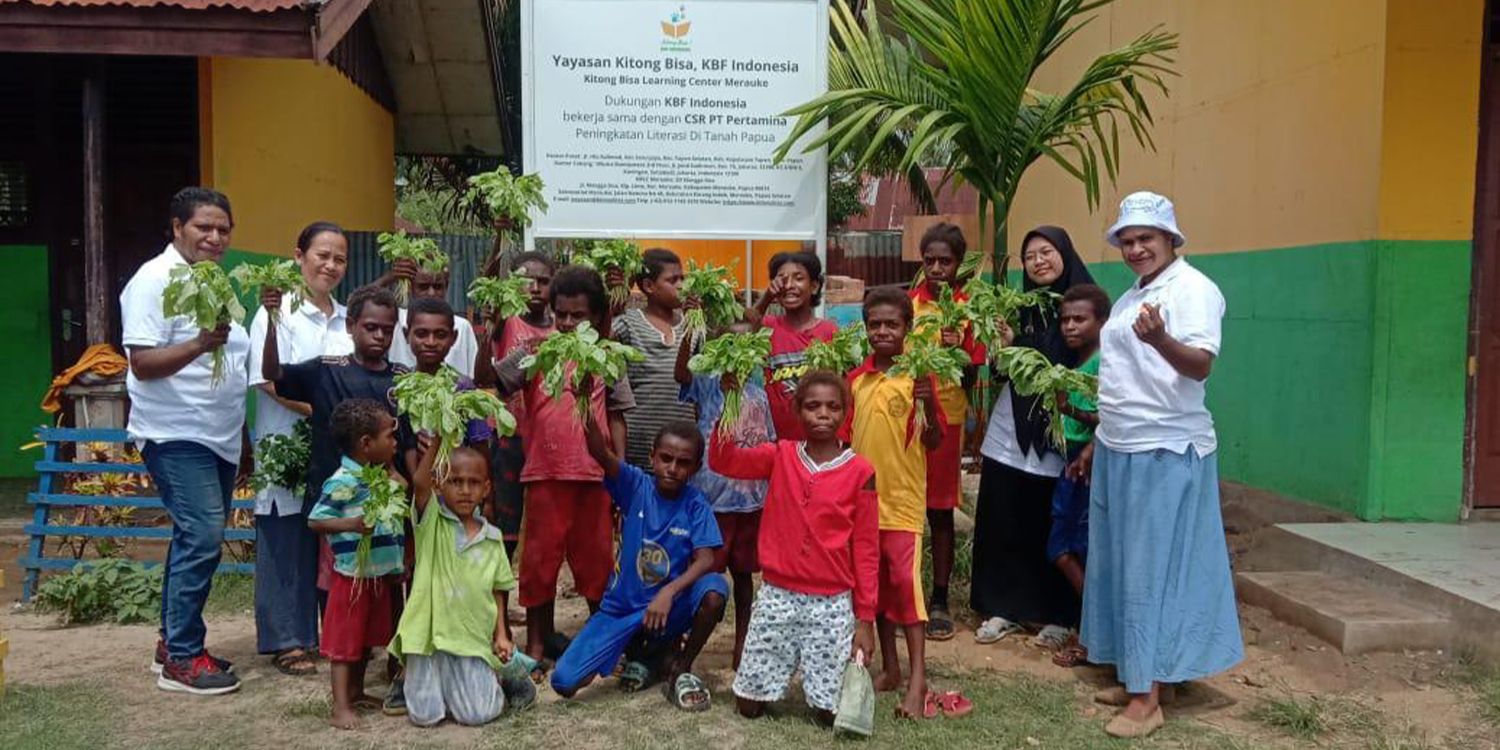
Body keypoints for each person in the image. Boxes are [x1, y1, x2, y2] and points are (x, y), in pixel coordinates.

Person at [1080, 192, 1241, 739]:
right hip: (1120, 444)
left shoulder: (1194, 291)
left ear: (1172, 238)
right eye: (1127, 240)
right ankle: (1145, 675)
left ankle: (1146, 702)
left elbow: (1200, 367)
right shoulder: (1132, 296)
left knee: (1151, 570)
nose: (1135, 248)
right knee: (1122, 565)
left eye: (1146, 238)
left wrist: (1161, 339)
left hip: (1166, 447)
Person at [122, 187, 249, 695]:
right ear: (177, 228)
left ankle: (171, 642)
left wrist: (240, 437)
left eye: (223, 229)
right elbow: (142, 363)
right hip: (175, 433)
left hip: (216, 434)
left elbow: (231, 365)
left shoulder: (212, 281)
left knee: (193, 539)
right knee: (201, 536)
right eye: (204, 227)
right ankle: (181, 656)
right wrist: (200, 341)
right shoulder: (153, 280)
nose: (215, 237)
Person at [260, 283, 410, 713]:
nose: (379, 336)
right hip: (340, 505)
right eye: (369, 327)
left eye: (387, 329)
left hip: (386, 511)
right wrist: (271, 320)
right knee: (345, 597)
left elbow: (404, 445)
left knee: (386, 589)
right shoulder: (327, 369)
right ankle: (343, 684)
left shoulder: (400, 380)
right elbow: (274, 373)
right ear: (350, 326)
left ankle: (386, 673)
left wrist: (401, 483)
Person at [710, 371, 878, 725]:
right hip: (778, 594)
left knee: (827, 715)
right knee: (748, 707)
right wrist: (730, 403)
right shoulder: (780, 456)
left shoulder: (861, 472)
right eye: (813, 406)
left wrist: (864, 619)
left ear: (845, 412)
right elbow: (723, 461)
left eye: (833, 407)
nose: (823, 414)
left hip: (831, 602)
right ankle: (765, 684)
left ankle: (822, 692)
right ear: (798, 410)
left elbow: (865, 550)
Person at [492, 265, 636, 673]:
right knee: (539, 562)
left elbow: (618, 413)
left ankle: (599, 643)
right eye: (562, 314)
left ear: (598, 317)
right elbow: (497, 380)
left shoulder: (608, 356)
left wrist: (619, 471)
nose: (569, 323)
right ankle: (537, 647)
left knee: (595, 563)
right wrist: (494, 323)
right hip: (545, 473)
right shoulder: (537, 349)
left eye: (579, 315)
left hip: (595, 476)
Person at [971, 225, 1094, 648]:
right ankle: (1004, 607)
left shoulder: (1085, 304)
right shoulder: (1017, 306)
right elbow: (1003, 370)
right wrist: (1004, 345)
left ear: (1065, 253)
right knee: (1004, 515)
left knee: (1051, 519)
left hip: (1062, 427)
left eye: (1047, 252)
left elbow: (1082, 361)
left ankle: (1058, 614)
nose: (1039, 261)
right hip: (1012, 425)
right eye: (1030, 256)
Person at [552, 417, 728, 710]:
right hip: (621, 609)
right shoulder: (635, 486)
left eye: (683, 463)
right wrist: (584, 407)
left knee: (714, 590)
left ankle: (679, 668)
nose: (672, 468)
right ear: (652, 457)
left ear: (696, 468)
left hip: (666, 609)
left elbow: (707, 559)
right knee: (565, 681)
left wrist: (668, 592)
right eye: (666, 459)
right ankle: (640, 652)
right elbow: (600, 453)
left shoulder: (696, 504)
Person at [245, 221, 354, 677]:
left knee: (329, 538)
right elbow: (269, 381)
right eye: (321, 255)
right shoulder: (278, 313)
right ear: (299, 256)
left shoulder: (348, 317)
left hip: (334, 450)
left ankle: (331, 635)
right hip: (288, 441)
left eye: (339, 259)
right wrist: (325, 414)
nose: (330, 265)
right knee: (286, 537)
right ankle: (288, 638)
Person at [846, 288, 943, 719]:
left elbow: (935, 439)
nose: (883, 331)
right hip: (863, 503)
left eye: (892, 324)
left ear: (907, 328)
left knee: (905, 586)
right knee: (875, 588)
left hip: (903, 500)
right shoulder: (856, 380)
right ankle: (891, 669)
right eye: (875, 324)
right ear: (866, 328)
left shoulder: (918, 377)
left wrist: (926, 402)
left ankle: (919, 679)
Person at [390, 438, 533, 727]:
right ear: (440, 484)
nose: (465, 490)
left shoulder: (492, 539)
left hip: (471, 639)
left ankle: (506, 677)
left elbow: (498, 591)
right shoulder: (431, 523)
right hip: (429, 641)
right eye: (455, 481)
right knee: (424, 716)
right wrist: (439, 440)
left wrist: (502, 635)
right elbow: (419, 481)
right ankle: (423, 684)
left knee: (478, 714)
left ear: (486, 489)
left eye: (473, 483)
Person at [674, 315, 774, 671]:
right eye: (732, 345)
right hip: (712, 500)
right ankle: (688, 644)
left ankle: (743, 645)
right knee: (706, 575)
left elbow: (769, 446)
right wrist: (690, 326)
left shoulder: (759, 394)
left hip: (750, 502)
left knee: (745, 575)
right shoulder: (706, 382)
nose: (740, 354)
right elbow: (681, 375)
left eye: (749, 346)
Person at [908, 222, 987, 642]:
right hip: (907, 416)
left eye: (946, 260)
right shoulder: (910, 303)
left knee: (939, 509)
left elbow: (975, 370)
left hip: (948, 417)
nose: (937, 267)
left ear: (959, 264)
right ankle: (908, 593)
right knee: (903, 508)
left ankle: (940, 599)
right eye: (930, 260)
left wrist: (960, 347)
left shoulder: (968, 307)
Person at [307, 399, 406, 730]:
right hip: (352, 577)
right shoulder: (343, 481)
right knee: (345, 645)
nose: (395, 442)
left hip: (377, 575)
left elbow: (403, 497)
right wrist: (351, 525)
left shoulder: (377, 477)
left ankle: (358, 691)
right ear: (366, 444)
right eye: (389, 437)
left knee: (364, 640)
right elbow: (316, 521)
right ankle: (341, 707)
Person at [1048, 284, 1108, 670]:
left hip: (1084, 466)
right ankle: (1093, 630)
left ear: (1102, 322)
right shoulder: (1079, 361)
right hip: (1070, 462)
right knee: (1065, 547)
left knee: (1067, 548)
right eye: (1066, 319)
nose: (1070, 327)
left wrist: (1070, 409)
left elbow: (1109, 417)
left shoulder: (1103, 362)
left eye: (1080, 319)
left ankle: (1094, 634)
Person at [481, 252, 555, 558]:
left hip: (546, 439)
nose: (535, 288)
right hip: (508, 437)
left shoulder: (560, 329)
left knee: (540, 524)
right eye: (526, 281)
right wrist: (499, 235)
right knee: (505, 523)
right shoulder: (506, 322)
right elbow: (489, 282)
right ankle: (500, 602)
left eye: (543, 281)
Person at [611, 248, 697, 469]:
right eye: (672, 280)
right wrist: (618, 293)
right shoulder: (628, 323)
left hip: (683, 447)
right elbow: (603, 340)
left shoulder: (694, 326)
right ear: (649, 286)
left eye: (683, 279)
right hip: (639, 443)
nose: (681, 285)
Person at [750, 251, 839, 441]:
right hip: (777, 443)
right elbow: (745, 326)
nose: (789, 285)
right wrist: (766, 297)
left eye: (798, 278)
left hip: (819, 441)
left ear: (814, 286)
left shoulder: (829, 332)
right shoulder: (767, 327)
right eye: (782, 279)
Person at [385, 259, 481, 378]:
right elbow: (360, 309)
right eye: (423, 287)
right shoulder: (395, 319)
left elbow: (474, 373)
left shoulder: (462, 326)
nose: (431, 293)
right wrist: (389, 278)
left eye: (437, 287)